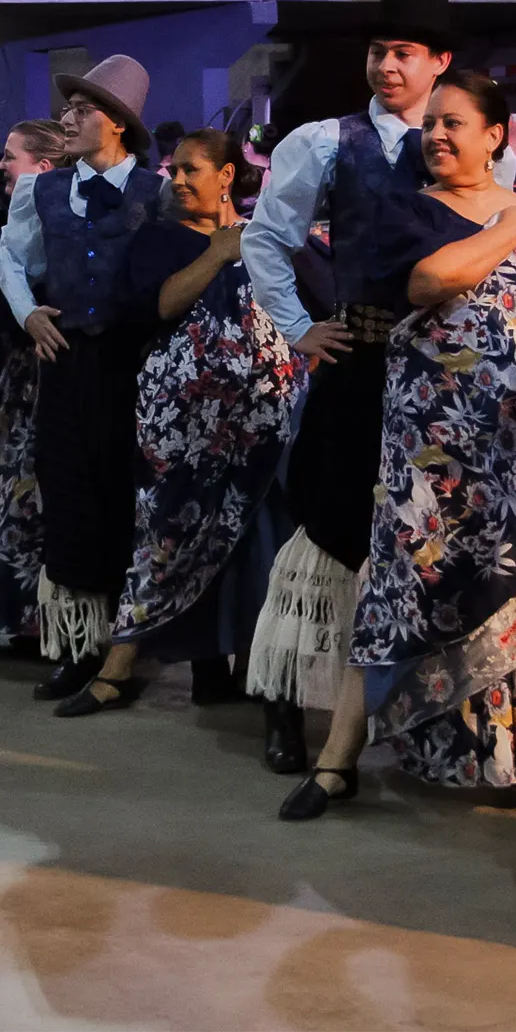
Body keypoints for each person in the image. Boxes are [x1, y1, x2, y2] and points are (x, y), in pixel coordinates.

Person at [276, 70, 516, 819]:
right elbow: (425, 284)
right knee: (398, 588)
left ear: (495, 136)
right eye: (433, 123)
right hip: (435, 457)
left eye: (457, 123)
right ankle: (336, 761)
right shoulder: (408, 209)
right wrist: (509, 231)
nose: (439, 135)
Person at [241, 0, 457, 773]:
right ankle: (284, 703)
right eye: (378, 51)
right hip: (359, 362)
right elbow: (266, 238)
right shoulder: (328, 141)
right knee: (327, 534)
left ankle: (410, 714)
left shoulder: (461, 138)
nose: (387, 66)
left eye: (403, 52)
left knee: (418, 542)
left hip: (438, 377)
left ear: (438, 62)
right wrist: (299, 328)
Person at [48, 129, 307, 716]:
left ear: (227, 177)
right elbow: (161, 305)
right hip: (183, 426)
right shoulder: (159, 240)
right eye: (174, 170)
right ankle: (120, 667)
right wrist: (217, 254)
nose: (179, 180)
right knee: (164, 538)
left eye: (192, 169)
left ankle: (252, 684)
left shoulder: (264, 239)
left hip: (261, 426)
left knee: (253, 548)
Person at [0, 56, 162, 702]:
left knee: (127, 498)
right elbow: (11, 258)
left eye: (80, 110)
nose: (67, 119)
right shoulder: (40, 190)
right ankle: (77, 646)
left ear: (116, 123)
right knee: (68, 496)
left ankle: (126, 647)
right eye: (65, 109)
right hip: (66, 364)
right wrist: (27, 310)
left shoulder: (157, 191)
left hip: (133, 366)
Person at [0, 120, 72, 649]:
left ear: (43, 169)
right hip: (21, 378)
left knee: (32, 492)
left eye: (11, 156)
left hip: (43, 375)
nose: (2, 165)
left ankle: (38, 620)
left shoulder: (47, 234)